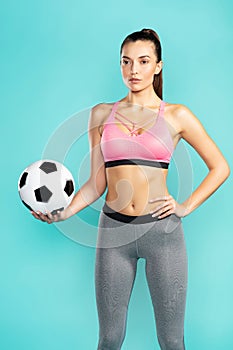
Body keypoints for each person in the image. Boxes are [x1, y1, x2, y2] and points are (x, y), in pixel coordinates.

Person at [32, 28, 230, 350]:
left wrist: (186, 206)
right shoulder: (100, 114)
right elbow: (98, 182)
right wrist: (64, 212)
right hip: (113, 231)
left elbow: (220, 167)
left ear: (158, 66)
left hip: (162, 234)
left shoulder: (177, 115)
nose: (134, 70)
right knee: (109, 338)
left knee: (171, 340)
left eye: (143, 61)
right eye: (126, 62)